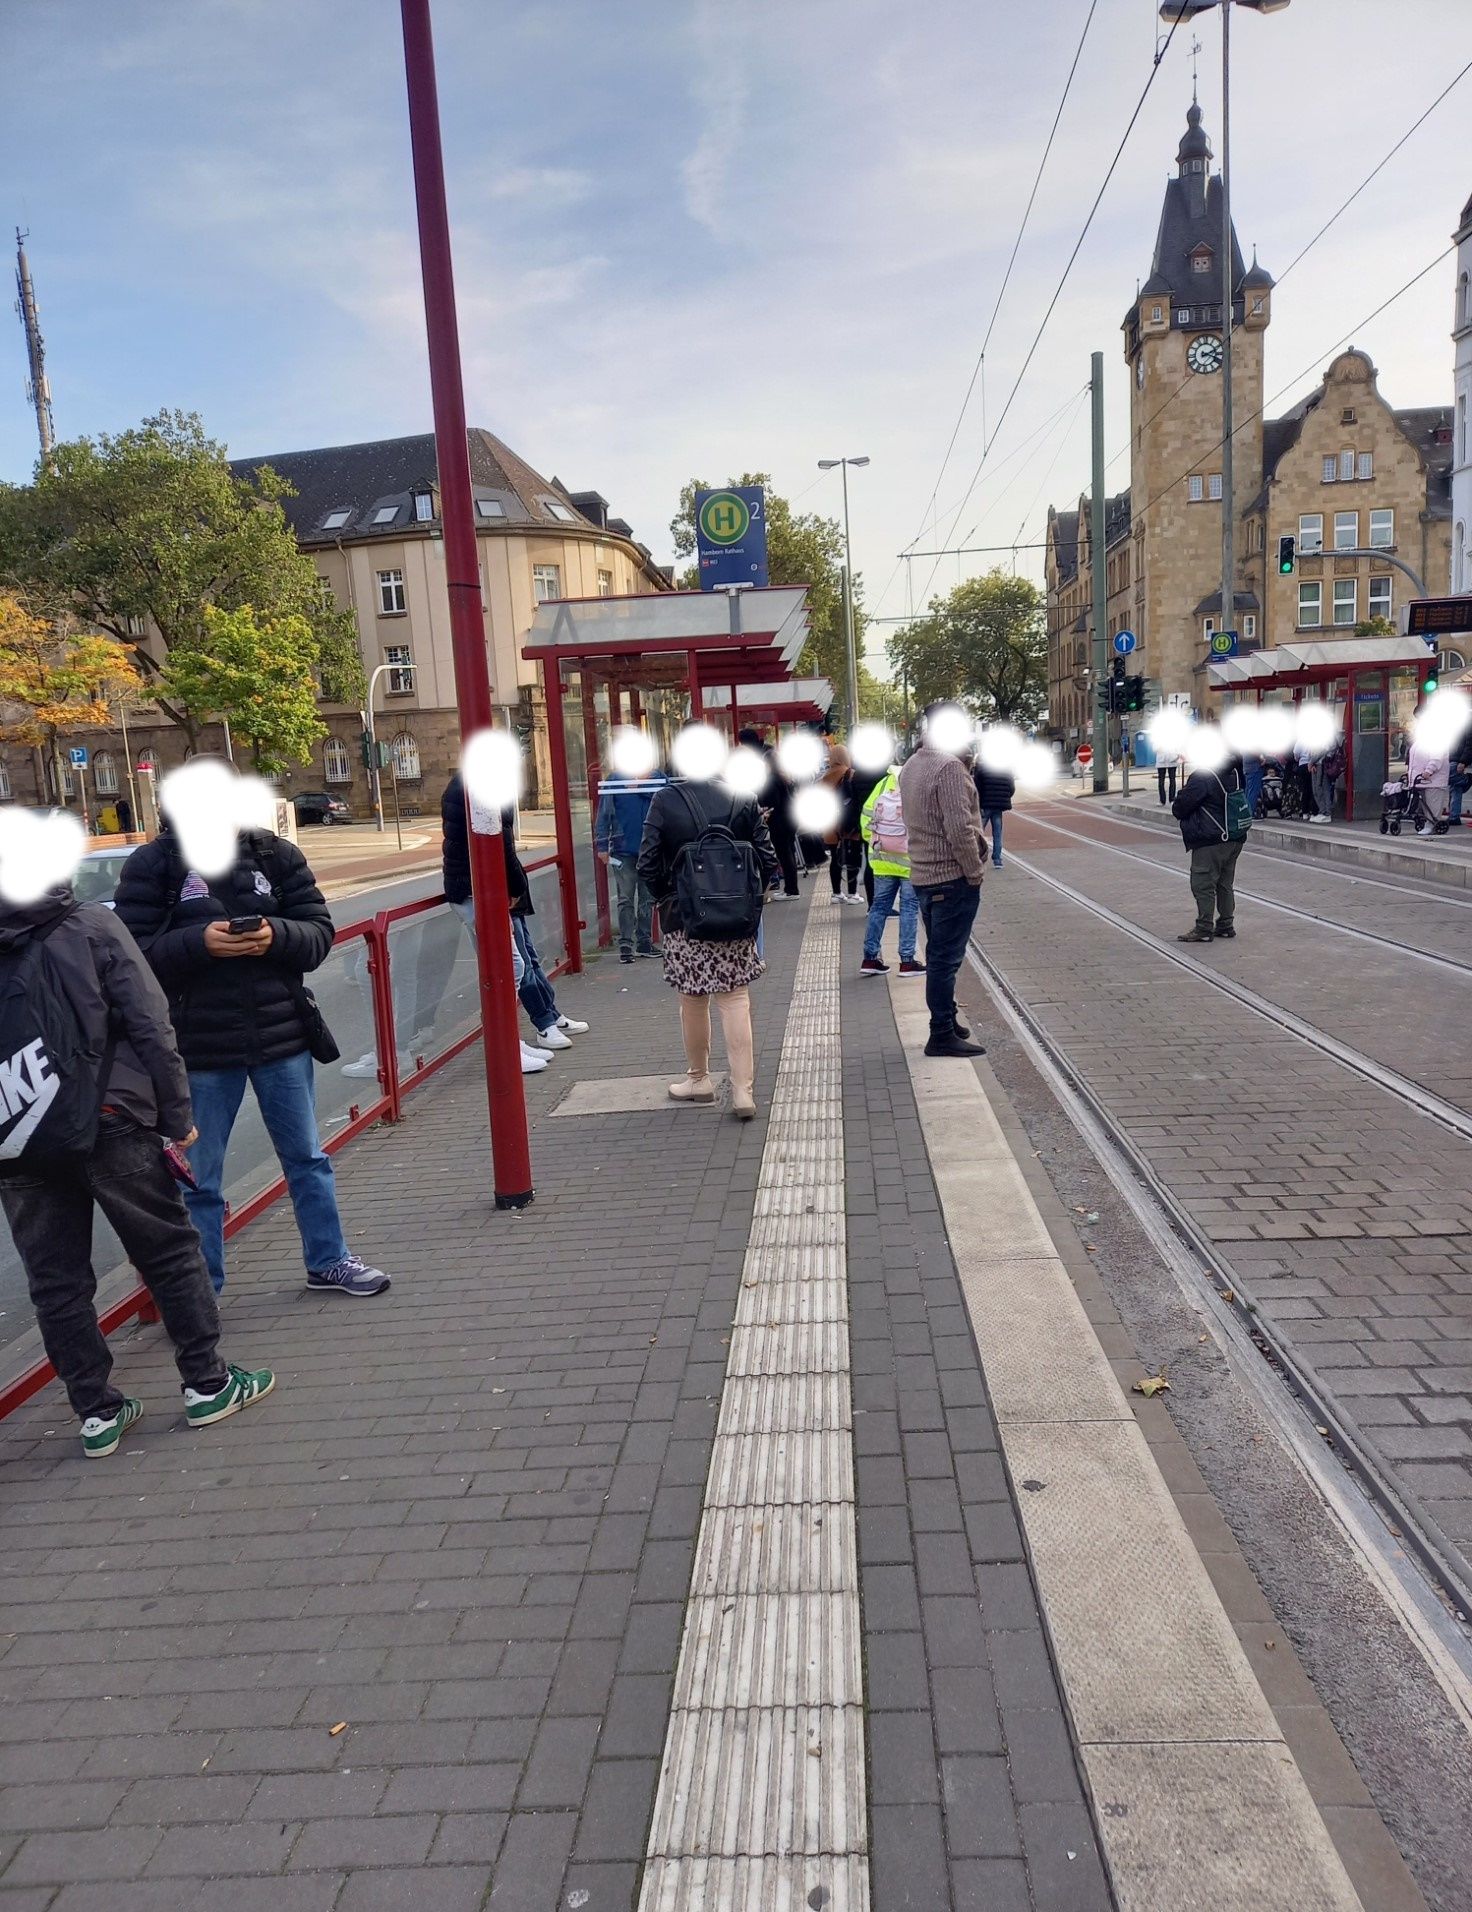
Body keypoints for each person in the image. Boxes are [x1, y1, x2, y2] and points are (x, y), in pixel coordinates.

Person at [0, 881, 276, 1457]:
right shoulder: (90, 925)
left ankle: (96, 1414)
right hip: (110, 1115)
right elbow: (151, 1022)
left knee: (56, 1282)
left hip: (21, 1134)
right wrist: (177, 1114)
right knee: (169, 1253)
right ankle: (208, 1383)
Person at [114, 820, 390, 1298]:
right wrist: (198, 943)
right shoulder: (154, 863)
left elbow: (318, 934)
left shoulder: (274, 854)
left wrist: (274, 935)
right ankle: (201, 1292)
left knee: (307, 1159)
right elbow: (130, 957)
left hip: (281, 1038)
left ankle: (329, 1262)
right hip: (198, 1048)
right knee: (198, 1179)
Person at [637, 764, 779, 1118]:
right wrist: (748, 899)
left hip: (686, 920)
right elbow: (768, 859)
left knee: (692, 999)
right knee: (735, 998)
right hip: (736, 918)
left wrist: (671, 898)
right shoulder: (744, 798)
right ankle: (743, 1091)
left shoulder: (665, 800)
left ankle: (699, 1080)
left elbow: (647, 864)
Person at [439, 774, 579, 1073]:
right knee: (510, 966)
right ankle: (505, 1045)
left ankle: (512, 1040)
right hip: (479, 890)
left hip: (472, 888)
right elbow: (501, 843)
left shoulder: (464, 782)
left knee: (512, 964)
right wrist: (516, 886)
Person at [898, 709, 985, 1059]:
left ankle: (947, 1018)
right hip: (950, 878)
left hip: (923, 876)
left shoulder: (912, 764)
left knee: (938, 954)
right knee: (944, 960)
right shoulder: (948, 767)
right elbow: (959, 829)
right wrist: (974, 872)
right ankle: (941, 1033)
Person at [1171, 754, 1248, 942]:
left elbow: (1180, 808)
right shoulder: (1234, 772)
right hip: (1234, 836)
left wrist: (1181, 794)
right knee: (1224, 883)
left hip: (1211, 838)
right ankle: (1226, 924)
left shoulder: (1203, 776)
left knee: (1202, 883)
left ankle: (1204, 927)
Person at [594, 763, 664, 962]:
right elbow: (604, 814)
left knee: (647, 899)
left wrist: (641, 786)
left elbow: (667, 800)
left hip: (650, 850)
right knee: (625, 898)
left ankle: (644, 942)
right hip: (623, 850)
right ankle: (626, 944)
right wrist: (602, 845)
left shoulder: (657, 778)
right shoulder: (616, 780)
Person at [859, 766, 923, 978]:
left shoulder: (883, 784)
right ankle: (907, 962)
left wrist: (879, 843)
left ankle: (870, 959)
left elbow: (866, 819)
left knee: (878, 907)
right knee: (909, 908)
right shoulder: (917, 784)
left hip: (882, 859)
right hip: (909, 860)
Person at [741, 728, 799, 898]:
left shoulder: (771, 781)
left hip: (779, 823)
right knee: (787, 853)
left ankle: (791, 890)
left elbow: (772, 802)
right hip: (788, 821)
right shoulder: (782, 778)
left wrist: (763, 809)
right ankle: (791, 888)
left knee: (783, 854)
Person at [822, 744, 863, 902]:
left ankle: (836, 893)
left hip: (830, 823)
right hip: (849, 822)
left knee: (835, 857)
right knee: (853, 856)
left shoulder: (824, 777)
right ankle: (852, 893)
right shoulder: (851, 774)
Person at [972, 758, 1014, 869]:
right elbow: (1011, 787)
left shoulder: (982, 769)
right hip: (998, 805)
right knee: (997, 833)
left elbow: (976, 788)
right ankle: (997, 859)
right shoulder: (1005, 769)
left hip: (984, 805)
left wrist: (978, 803)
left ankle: (975, 857)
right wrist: (1004, 797)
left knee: (978, 832)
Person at [1407, 729, 1451, 836]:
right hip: (1421, 780)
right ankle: (1428, 823)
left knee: (1433, 804)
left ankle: (1431, 825)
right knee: (1426, 804)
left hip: (1434, 780)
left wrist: (1429, 771)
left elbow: (1436, 759)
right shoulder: (1420, 742)